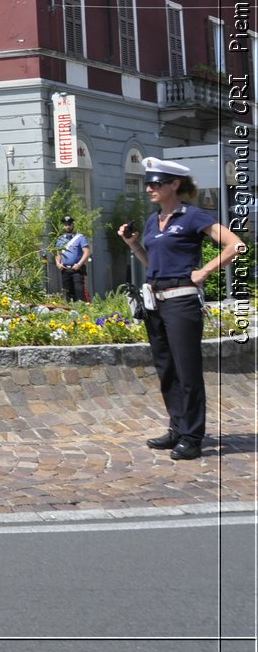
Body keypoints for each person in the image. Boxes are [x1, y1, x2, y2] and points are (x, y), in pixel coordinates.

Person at [117, 157, 246, 461]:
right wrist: (134, 246)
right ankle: (177, 427)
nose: (149, 188)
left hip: (182, 302)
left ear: (174, 185)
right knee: (167, 370)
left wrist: (204, 272)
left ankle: (192, 436)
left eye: (156, 183)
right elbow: (155, 263)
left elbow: (236, 245)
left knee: (187, 371)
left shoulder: (193, 217)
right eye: (148, 183)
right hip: (155, 302)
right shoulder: (153, 220)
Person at [54, 216, 91, 302]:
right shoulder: (60, 239)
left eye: (69, 224)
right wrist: (58, 263)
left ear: (73, 225)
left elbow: (87, 252)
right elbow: (57, 253)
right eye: (65, 224)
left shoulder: (80, 238)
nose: (67, 226)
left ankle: (83, 311)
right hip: (65, 269)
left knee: (80, 292)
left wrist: (79, 264)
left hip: (77, 269)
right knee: (67, 293)